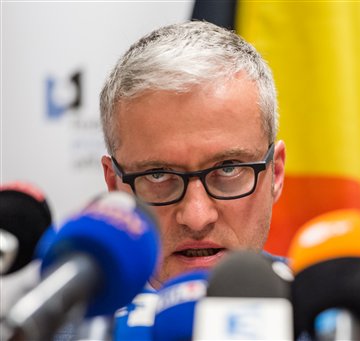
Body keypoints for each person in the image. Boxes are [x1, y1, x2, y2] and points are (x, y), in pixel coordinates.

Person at [99, 20, 286, 289]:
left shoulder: (334, 324)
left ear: (276, 173)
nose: (196, 218)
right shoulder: (65, 327)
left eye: (228, 169)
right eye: (158, 175)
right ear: (114, 184)